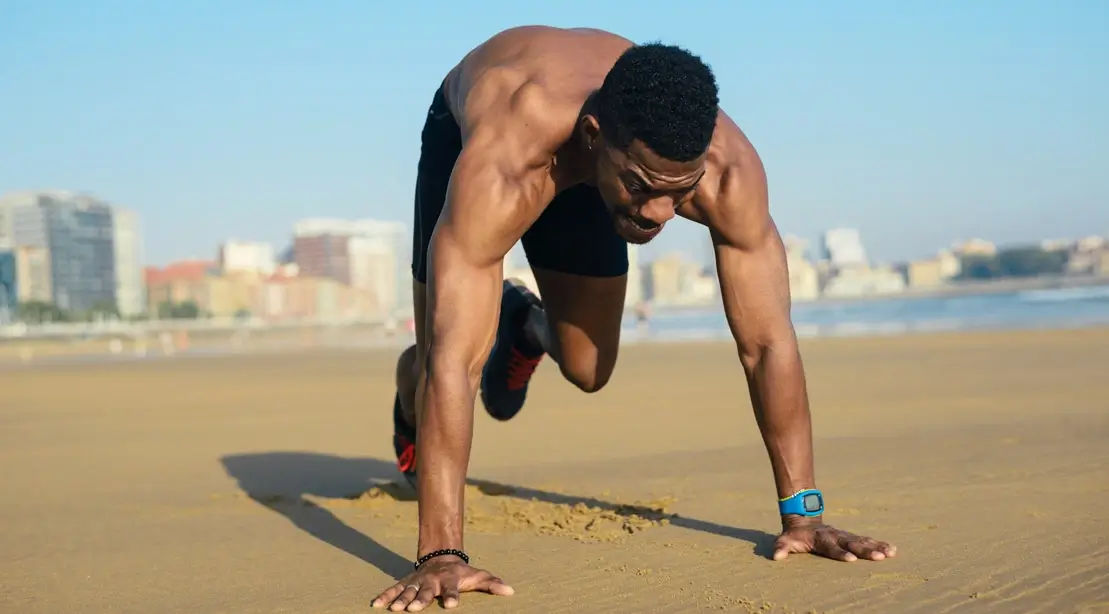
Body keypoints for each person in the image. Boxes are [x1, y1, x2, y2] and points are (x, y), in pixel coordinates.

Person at [372, 26, 896, 612]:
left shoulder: (728, 171)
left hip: (600, 161)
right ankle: (409, 380)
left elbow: (768, 343)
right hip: (483, 132)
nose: (661, 217)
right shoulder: (502, 166)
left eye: (680, 191)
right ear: (595, 139)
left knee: (590, 367)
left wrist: (804, 513)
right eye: (645, 190)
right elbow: (455, 364)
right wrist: (441, 554)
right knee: (437, 356)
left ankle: (524, 324)